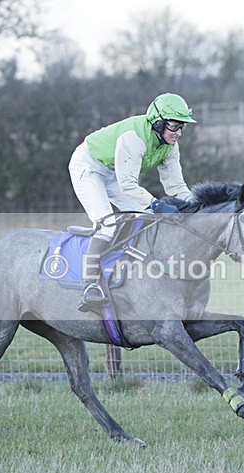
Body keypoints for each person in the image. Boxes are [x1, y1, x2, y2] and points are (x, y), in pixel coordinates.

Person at [68, 93, 197, 313]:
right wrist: (157, 205)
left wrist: (196, 205)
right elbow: (128, 184)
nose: (179, 133)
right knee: (106, 223)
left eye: (182, 127)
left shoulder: (170, 146)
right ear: (158, 122)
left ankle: (131, 273)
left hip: (112, 173)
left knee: (146, 218)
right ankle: (89, 285)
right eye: (174, 126)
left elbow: (175, 187)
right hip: (88, 167)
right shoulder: (134, 138)